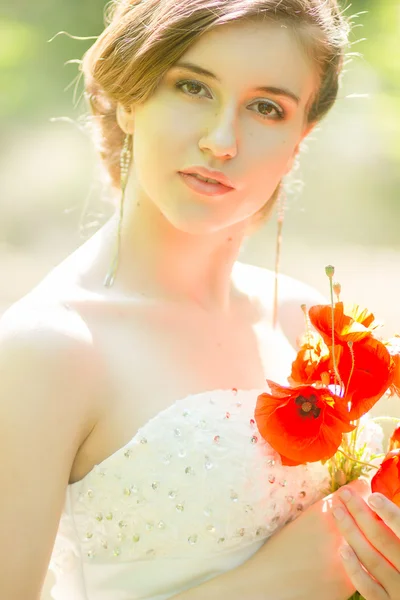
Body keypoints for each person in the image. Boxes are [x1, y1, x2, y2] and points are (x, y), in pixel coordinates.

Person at [0, 0, 398, 599]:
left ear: (300, 139)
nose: (221, 140)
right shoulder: (48, 349)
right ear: (131, 99)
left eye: (267, 108)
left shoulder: (310, 325)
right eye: (192, 87)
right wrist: (274, 582)